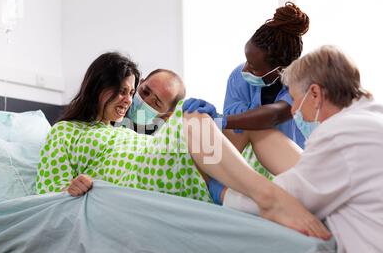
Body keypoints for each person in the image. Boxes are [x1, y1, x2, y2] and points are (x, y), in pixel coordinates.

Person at [35, 51, 330, 240]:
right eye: (123, 91)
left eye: (130, 92)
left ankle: (321, 184)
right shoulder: (66, 131)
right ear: (98, 86)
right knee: (194, 117)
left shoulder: (136, 133)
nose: (128, 100)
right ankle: (270, 198)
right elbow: (44, 194)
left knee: (246, 127)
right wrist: (72, 187)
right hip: (139, 183)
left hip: (172, 175)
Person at [185, 45, 383, 253]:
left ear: (315, 94)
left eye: (294, 99)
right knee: (203, 124)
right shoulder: (378, 120)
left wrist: (220, 192)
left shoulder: (340, 136)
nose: (293, 110)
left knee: (213, 128)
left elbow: (275, 200)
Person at [223, 2, 309, 151]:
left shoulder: (303, 85)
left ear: (280, 69)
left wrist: (220, 121)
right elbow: (234, 132)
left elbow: (275, 115)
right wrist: (209, 119)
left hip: (292, 163)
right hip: (249, 162)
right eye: (247, 61)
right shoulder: (238, 78)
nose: (245, 69)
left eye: (254, 68)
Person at [118, 69, 186, 135]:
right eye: (145, 92)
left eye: (156, 103)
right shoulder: (112, 106)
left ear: (167, 115)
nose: (145, 101)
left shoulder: (159, 142)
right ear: (140, 83)